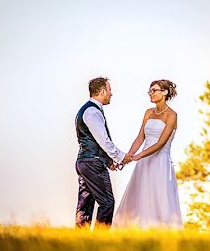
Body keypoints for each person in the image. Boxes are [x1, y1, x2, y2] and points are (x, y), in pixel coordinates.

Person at [112, 79, 183, 228]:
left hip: (160, 162)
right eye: (149, 91)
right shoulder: (148, 112)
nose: (150, 93)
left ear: (164, 92)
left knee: (160, 198)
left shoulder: (172, 115)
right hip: (144, 162)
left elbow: (160, 143)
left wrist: (139, 156)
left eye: (154, 90)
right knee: (141, 198)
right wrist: (127, 157)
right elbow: (140, 137)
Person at [75, 77, 132, 229]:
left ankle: (80, 240)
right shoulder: (92, 112)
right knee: (107, 202)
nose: (111, 93)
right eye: (110, 90)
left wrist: (109, 162)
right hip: (93, 163)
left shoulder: (87, 110)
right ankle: (101, 240)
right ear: (102, 91)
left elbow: (92, 139)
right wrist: (120, 156)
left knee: (85, 205)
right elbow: (103, 140)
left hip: (85, 161)